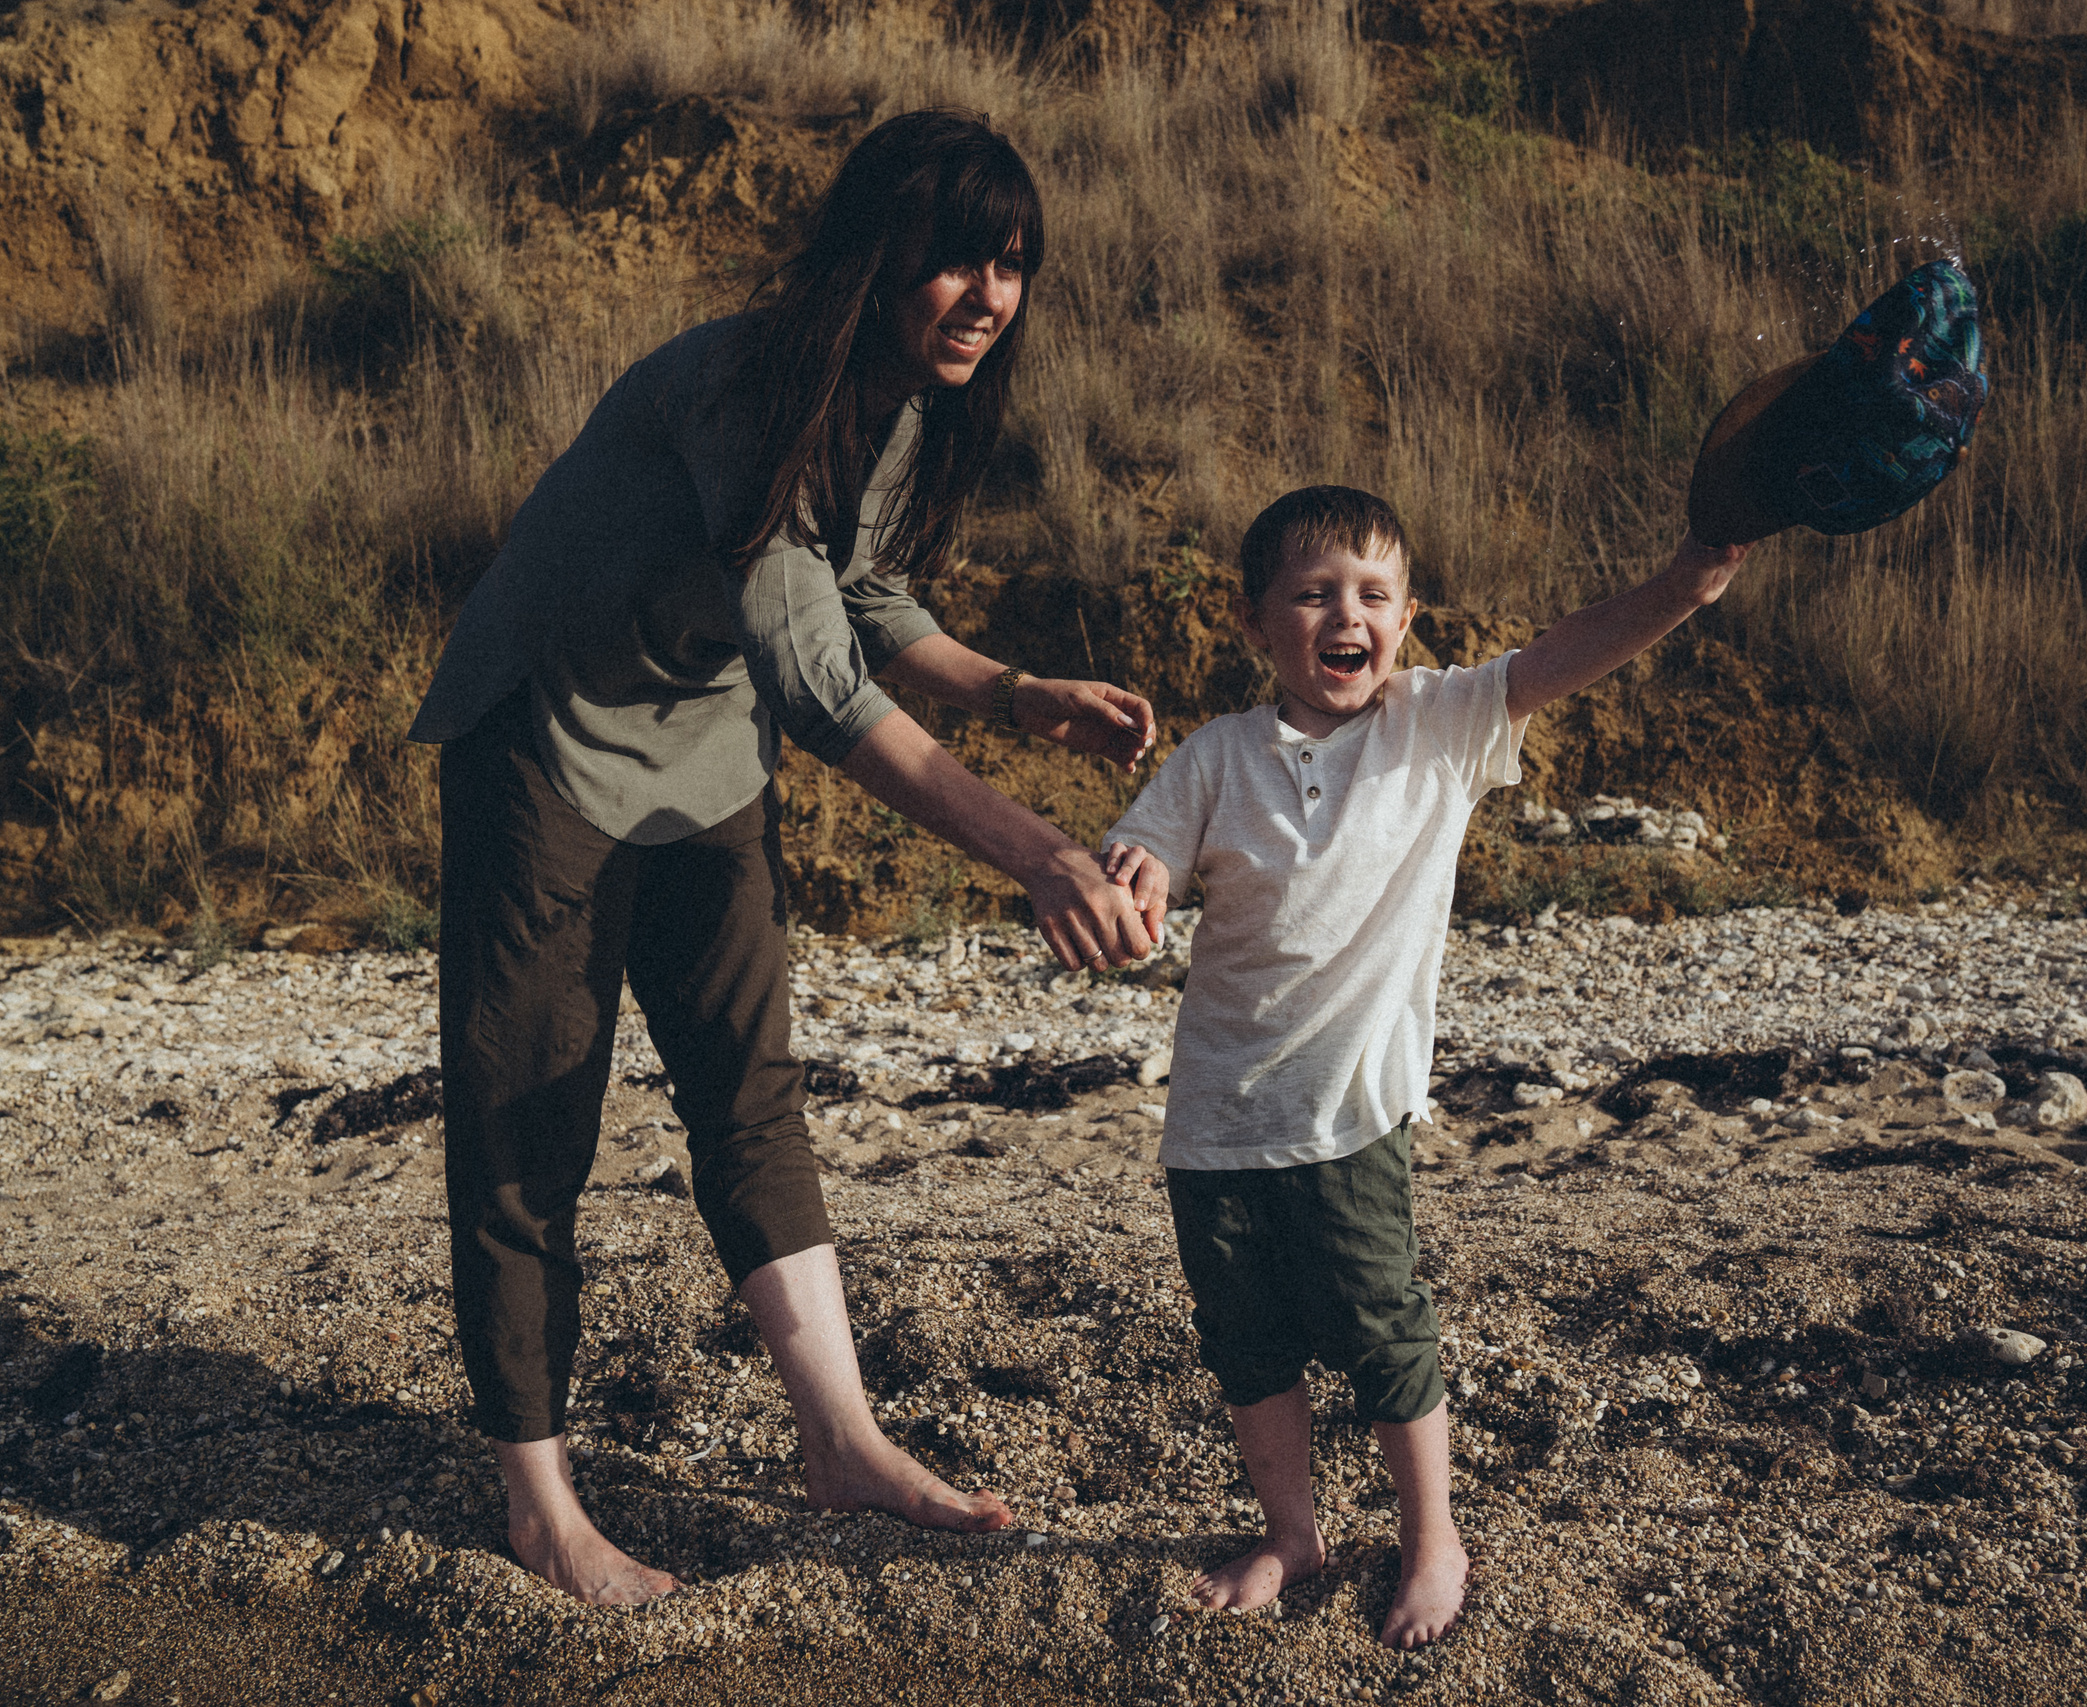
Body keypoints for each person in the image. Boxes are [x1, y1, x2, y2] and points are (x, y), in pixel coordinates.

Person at [407, 110, 1162, 1606]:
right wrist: (1032, 850)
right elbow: (820, 686)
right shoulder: (747, 390)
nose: (986, 296)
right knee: (525, 1123)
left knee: (750, 1093)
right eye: (956, 259)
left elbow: (862, 592)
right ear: (876, 253)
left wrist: (1010, 690)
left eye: (1010, 267)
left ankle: (842, 1436)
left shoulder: (897, 401)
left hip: (703, 747)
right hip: (547, 734)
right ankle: (541, 1502)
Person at [1098, 486, 1750, 1648]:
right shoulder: (1217, 756)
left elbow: (1567, 652)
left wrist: (1691, 578)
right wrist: (1134, 884)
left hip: (1351, 1111)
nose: (1343, 614)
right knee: (1245, 1345)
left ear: (1405, 618)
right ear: (1257, 624)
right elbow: (1143, 848)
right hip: (1213, 1120)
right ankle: (1291, 1536)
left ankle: (1430, 1539)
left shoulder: (1434, 726)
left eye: (1372, 594)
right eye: (1310, 594)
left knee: (1381, 1325)